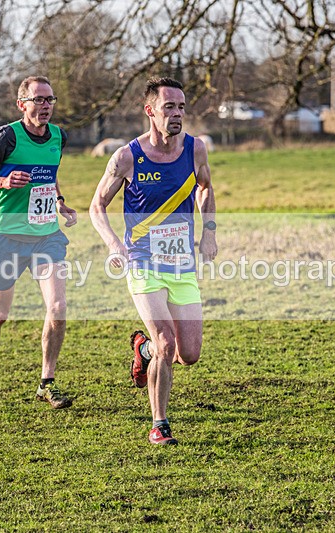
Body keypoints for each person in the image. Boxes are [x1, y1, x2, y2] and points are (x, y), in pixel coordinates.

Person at [90, 77, 217, 444]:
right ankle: (159, 424)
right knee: (167, 344)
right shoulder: (128, 156)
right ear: (150, 111)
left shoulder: (196, 149)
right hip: (143, 262)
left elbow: (206, 186)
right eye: (168, 107)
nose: (177, 114)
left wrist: (208, 230)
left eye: (181, 107)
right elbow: (97, 205)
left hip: (181, 264)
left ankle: (141, 350)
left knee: (189, 353)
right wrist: (114, 244)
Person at [0, 75, 77, 414]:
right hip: (7, 237)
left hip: (46, 236)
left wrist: (59, 201)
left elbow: (49, 172)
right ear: (22, 104)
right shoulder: (5, 137)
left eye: (50, 100)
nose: (45, 106)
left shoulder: (59, 136)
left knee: (57, 307)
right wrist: (3, 180)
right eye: (38, 100)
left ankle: (47, 382)